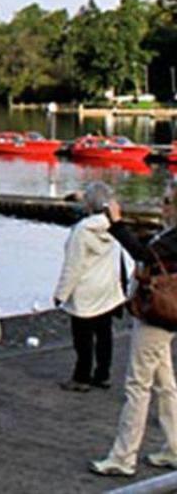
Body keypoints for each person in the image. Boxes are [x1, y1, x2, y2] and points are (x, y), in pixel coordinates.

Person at [90, 193, 177, 477]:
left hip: (157, 313)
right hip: (166, 315)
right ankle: (174, 447)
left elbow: (143, 253)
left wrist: (116, 224)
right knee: (164, 383)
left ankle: (123, 456)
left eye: (167, 200)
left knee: (137, 385)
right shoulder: (169, 232)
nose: (162, 205)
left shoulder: (174, 235)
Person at [53, 182, 126, 393]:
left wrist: (61, 294)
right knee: (104, 333)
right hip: (107, 289)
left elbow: (73, 266)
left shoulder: (82, 231)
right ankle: (103, 374)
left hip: (85, 291)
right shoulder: (113, 227)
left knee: (83, 337)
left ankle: (81, 376)